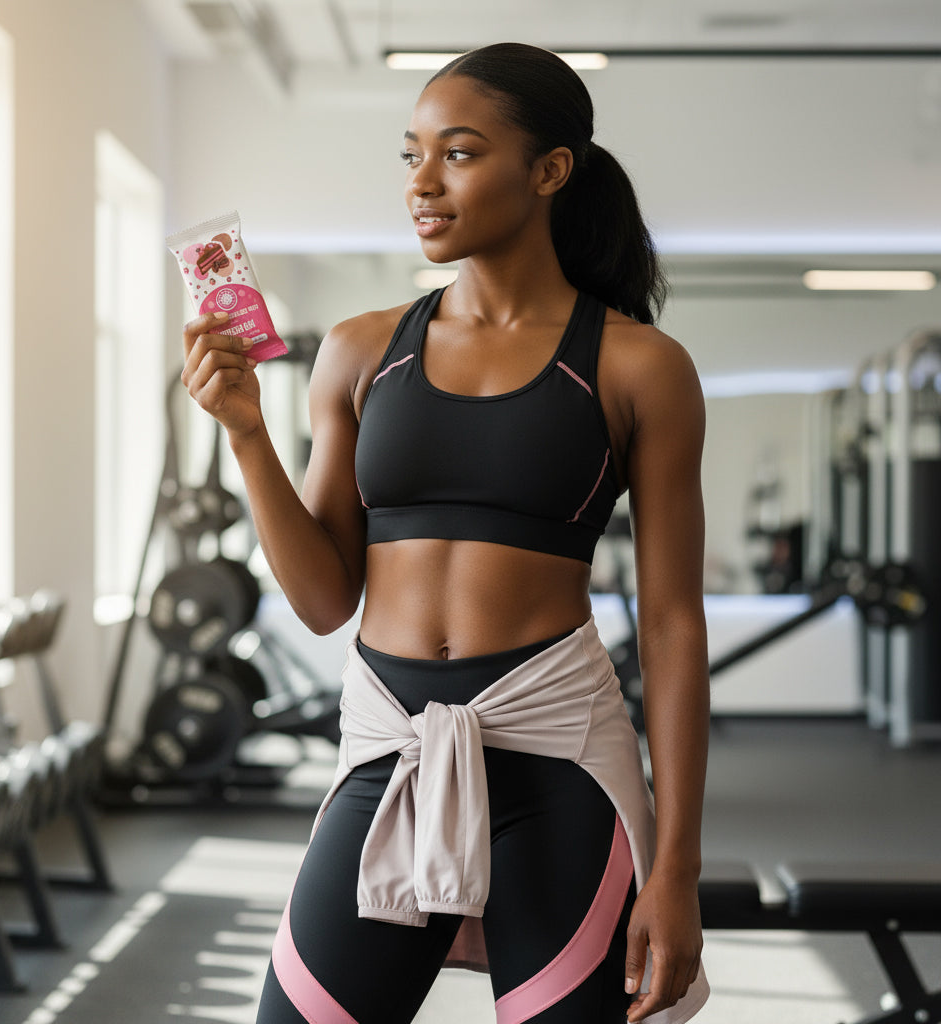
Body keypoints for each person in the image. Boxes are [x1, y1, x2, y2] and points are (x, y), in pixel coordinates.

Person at [182, 42, 710, 1024]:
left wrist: (677, 869)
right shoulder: (358, 349)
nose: (422, 182)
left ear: (548, 170)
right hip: (388, 745)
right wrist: (248, 435)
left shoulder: (640, 367)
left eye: (458, 153)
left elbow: (675, 623)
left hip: (559, 760)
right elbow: (323, 598)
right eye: (411, 154)